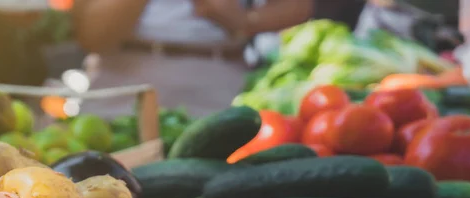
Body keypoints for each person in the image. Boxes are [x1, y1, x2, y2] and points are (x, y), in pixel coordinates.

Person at [67, 0, 319, 118]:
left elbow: (299, 7)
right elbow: (91, 37)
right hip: (123, 80)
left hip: (217, 80)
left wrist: (245, 21)